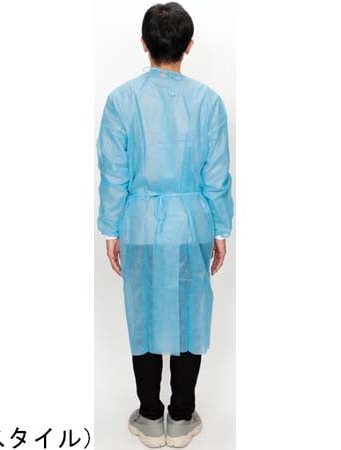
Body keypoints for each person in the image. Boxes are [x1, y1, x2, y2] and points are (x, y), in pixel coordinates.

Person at [96, 2, 233, 447]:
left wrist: (111, 229)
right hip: (192, 223)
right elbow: (217, 176)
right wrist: (220, 229)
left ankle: (151, 416)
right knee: (192, 315)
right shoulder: (208, 103)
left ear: (144, 43)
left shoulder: (121, 101)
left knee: (144, 314)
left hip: (139, 224)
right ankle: (182, 416)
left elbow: (113, 173)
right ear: (188, 46)